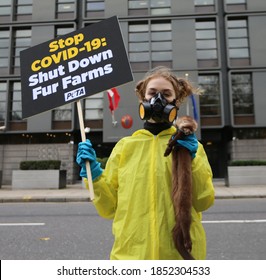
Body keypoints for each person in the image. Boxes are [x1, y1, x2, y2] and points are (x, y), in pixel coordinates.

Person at [76, 66, 215, 260]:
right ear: (142, 98)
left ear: (176, 101)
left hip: (180, 257)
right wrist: (94, 174)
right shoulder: (125, 147)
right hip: (131, 255)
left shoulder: (190, 147)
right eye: (152, 93)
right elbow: (108, 208)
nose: (158, 99)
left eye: (166, 94)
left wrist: (192, 160)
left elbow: (203, 201)